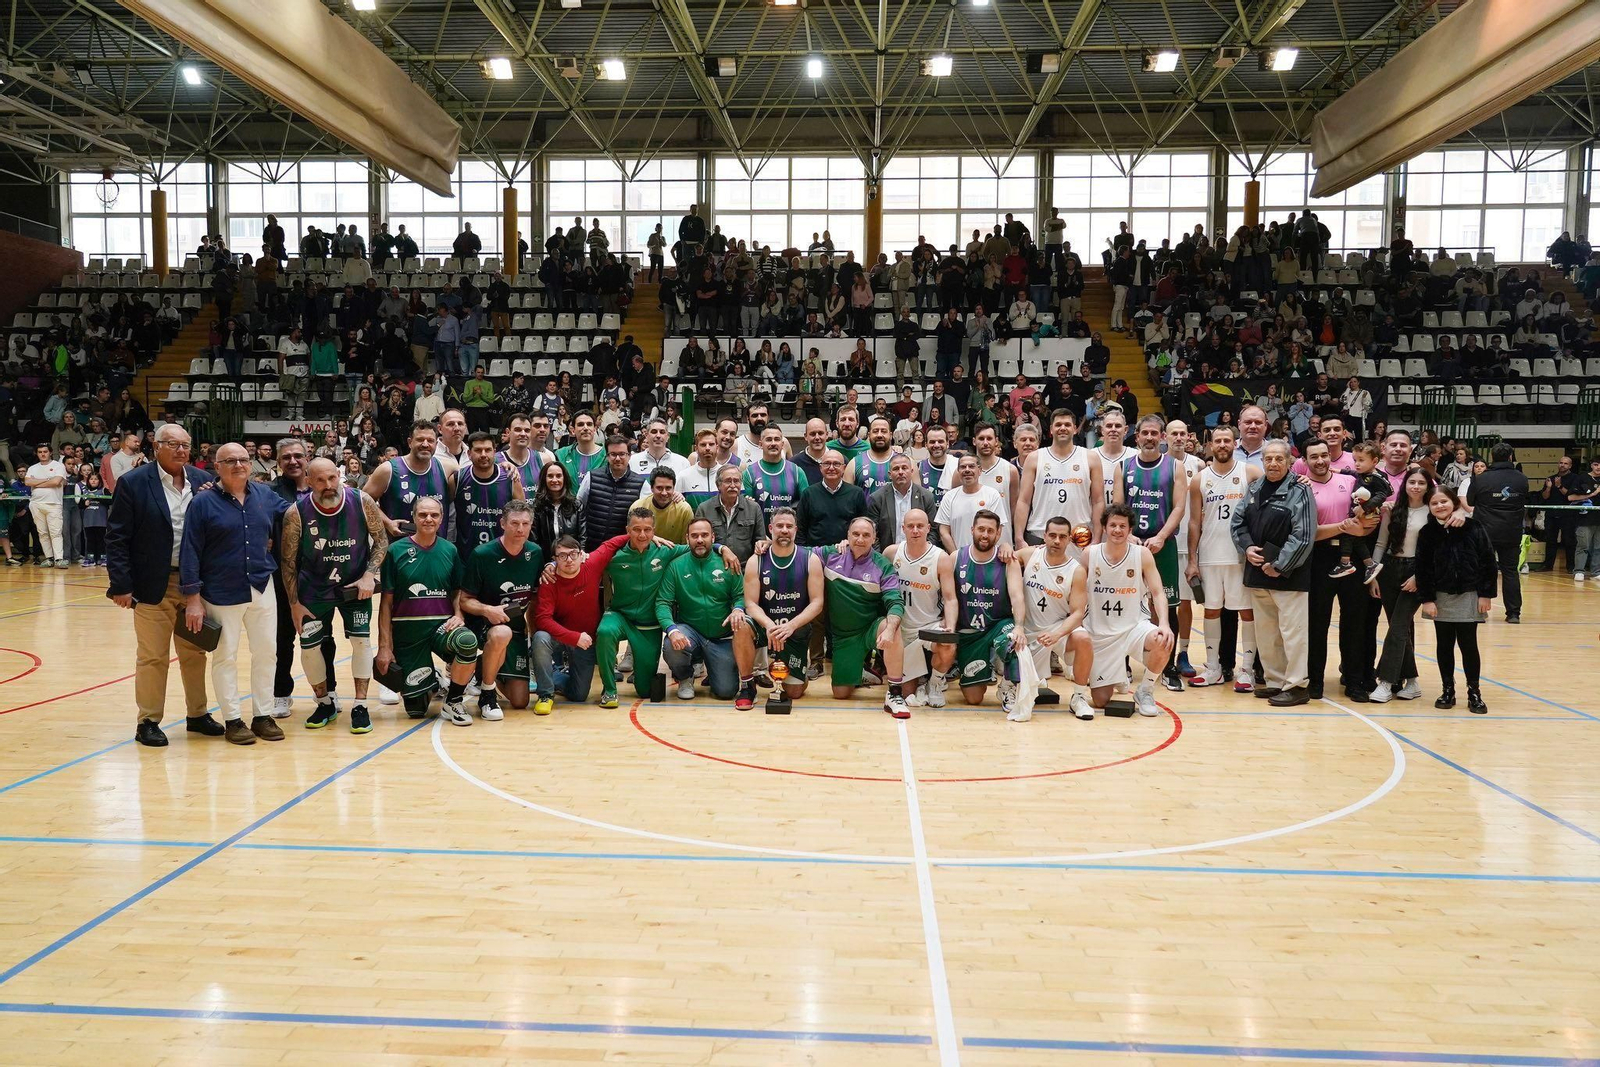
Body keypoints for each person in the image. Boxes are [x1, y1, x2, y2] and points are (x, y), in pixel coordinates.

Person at [107, 423, 217, 748]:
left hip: (195, 585)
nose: (181, 450)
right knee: (153, 656)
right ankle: (148, 721)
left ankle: (197, 714)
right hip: (153, 584)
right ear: (157, 447)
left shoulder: (202, 481)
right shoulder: (134, 483)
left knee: (195, 652)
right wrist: (121, 585)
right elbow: (117, 538)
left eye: (186, 445)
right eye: (173, 444)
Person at [180, 442, 290, 746]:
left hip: (261, 585)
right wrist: (192, 599)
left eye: (243, 459)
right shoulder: (202, 503)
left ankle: (263, 715)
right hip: (220, 590)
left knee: (267, 652)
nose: (239, 465)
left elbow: (296, 512)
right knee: (225, 656)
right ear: (217, 466)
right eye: (230, 461)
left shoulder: (265, 495)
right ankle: (232, 720)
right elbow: (190, 551)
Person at [279, 457, 387, 733]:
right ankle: (324, 702)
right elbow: (288, 561)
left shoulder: (362, 501)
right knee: (310, 646)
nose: (328, 485)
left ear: (338, 476)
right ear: (308, 480)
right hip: (313, 589)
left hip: (354, 586)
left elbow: (381, 541)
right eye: (320, 480)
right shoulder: (296, 512)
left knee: (362, 643)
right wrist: (293, 603)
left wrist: (368, 575)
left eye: (332, 478)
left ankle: (361, 706)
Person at [594, 506, 738, 708]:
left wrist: (723, 548)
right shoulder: (613, 556)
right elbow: (584, 563)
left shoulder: (666, 551)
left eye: (647, 530)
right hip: (620, 616)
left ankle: (708, 670)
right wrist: (554, 566)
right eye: (636, 529)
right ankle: (609, 690)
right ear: (627, 530)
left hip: (648, 626)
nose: (642, 535)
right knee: (605, 630)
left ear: (654, 531)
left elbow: (698, 546)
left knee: (644, 690)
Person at [373, 495, 479, 726]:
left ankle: (453, 700)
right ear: (413, 517)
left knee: (468, 642)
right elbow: (386, 603)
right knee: (415, 710)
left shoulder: (449, 550)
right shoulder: (395, 551)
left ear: (441, 519)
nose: (428, 519)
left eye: (434, 515)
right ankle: (434, 680)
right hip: (408, 633)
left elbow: (457, 590)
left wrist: (459, 615)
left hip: (441, 627)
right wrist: (384, 646)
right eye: (422, 514)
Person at [1229, 440, 1316, 706]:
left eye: (1279, 459)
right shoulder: (1254, 488)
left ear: (1289, 462)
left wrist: (1279, 564)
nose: (1273, 464)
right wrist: (1247, 548)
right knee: (1267, 633)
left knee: (1293, 633)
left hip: (1289, 576)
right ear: (1262, 461)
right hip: (1258, 573)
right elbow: (1237, 523)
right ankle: (1276, 681)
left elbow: (1303, 535)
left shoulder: (1300, 490)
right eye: (1269, 459)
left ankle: (1298, 685)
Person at [1069, 504, 1174, 718]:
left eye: (1122, 526)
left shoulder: (1142, 554)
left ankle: (1145, 689)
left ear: (1130, 530)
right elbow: (1076, 591)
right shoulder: (1090, 554)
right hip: (1100, 633)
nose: (1117, 530)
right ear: (1105, 528)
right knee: (1100, 701)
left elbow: (1158, 592)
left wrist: (1164, 623)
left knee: (1162, 639)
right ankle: (1116, 676)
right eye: (1113, 525)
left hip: (1134, 627)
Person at [926, 510, 1028, 716]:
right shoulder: (956, 557)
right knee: (974, 698)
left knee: (1014, 642)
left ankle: (1007, 688)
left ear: (998, 534)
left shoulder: (1008, 560)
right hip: (969, 633)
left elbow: (1017, 597)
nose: (985, 534)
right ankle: (945, 679)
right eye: (981, 529)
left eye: (990, 531)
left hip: (998, 625)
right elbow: (948, 597)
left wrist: (1019, 626)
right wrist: (949, 624)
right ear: (972, 530)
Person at [1116, 415, 1189, 691]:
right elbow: (1118, 508)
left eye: (1154, 433)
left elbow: (1179, 508)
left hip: (1162, 544)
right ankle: (1120, 662)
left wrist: (1161, 536)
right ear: (1137, 438)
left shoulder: (1175, 466)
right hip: (1130, 545)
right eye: (1144, 433)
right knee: (1124, 603)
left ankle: (1167, 666)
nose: (1149, 437)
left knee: (1167, 607)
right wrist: (1129, 535)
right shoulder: (1124, 467)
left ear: (1161, 437)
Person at [1185, 425, 1260, 692]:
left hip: (1241, 556)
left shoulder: (1250, 472)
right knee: (1211, 610)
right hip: (1209, 555)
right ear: (1211, 445)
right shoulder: (1199, 479)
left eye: (1227, 440)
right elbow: (1194, 522)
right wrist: (1192, 560)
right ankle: (1213, 667)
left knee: (1247, 612)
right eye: (1218, 441)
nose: (1223, 445)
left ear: (1234, 443)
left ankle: (1247, 671)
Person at [656, 518, 759, 708]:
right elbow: (663, 602)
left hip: (721, 637)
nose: (700, 540)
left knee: (726, 692)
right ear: (687, 538)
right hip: (691, 631)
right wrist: (671, 629)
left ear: (713, 537)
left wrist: (737, 609)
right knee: (672, 644)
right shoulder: (676, 566)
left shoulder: (729, 562)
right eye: (694, 536)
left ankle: (714, 669)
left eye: (704, 535)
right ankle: (685, 677)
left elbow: (739, 595)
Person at [814, 516, 910, 717]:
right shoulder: (831, 554)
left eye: (866, 535)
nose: (860, 539)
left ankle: (894, 694)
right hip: (844, 638)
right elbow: (797, 554)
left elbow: (895, 602)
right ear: (847, 536)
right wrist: (768, 542)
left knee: (890, 627)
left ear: (874, 538)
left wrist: (890, 628)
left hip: (871, 629)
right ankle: (861, 672)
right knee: (841, 693)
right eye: (855, 534)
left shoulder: (883, 566)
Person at [1416, 484, 1497, 714]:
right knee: (1444, 644)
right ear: (1429, 507)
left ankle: (1474, 692)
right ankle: (1448, 689)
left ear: (1454, 502)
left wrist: (1486, 594)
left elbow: (1488, 561)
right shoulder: (1427, 533)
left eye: (1444, 501)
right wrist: (1427, 599)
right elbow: (1423, 569)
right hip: (1440, 596)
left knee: (1469, 644)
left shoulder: (1473, 527)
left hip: (1470, 594)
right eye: (1434, 503)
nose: (1440, 506)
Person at [458, 499, 543, 719]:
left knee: (520, 701)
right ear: (503, 523)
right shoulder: (482, 554)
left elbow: (533, 599)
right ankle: (487, 693)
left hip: (515, 629)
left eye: (525, 523)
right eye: (514, 523)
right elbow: (465, 600)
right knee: (501, 633)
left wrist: (532, 633)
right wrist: (488, 610)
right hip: (485, 626)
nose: (520, 529)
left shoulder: (534, 553)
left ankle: (483, 667)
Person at [744, 507, 825, 704]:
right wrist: (769, 625)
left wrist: (790, 626)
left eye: (789, 526)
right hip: (766, 627)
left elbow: (817, 603)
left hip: (795, 629)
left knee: (794, 692)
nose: (784, 530)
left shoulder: (810, 559)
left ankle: (798, 672)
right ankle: (746, 684)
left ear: (796, 530)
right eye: (779, 526)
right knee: (742, 626)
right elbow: (750, 604)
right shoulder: (756, 560)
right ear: (771, 528)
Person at [1367, 465, 1433, 704]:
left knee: (1397, 628)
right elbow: (1381, 544)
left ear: (1428, 487)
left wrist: (1420, 577)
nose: (1416, 486)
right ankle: (1412, 681)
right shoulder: (1392, 509)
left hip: (1416, 571)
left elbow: (1434, 550)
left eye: (1421, 483)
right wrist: (1373, 574)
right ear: (1405, 485)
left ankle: (1385, 682)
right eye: (1412, 482)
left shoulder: (1433, 511)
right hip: (1389, 570)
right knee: (1402, 628)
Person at [1016, 516, 1090, 718]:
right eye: (1053, 535)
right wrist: (1005, 546)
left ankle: (1079, 697)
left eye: (1062, 537)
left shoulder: (1076, 571)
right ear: (1044, 536)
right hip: (1028, 632)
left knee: (1083, 638)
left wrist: (1057, 634)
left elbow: (1077, 613)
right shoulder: (1030, 555)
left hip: (1056, 631)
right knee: (1019, 688)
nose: (1057, 541)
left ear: (1069, 540)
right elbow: (1007, 558)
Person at [1015, 409, 1102, 552]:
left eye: (1067, 425)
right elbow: (1023, 501)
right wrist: (1019, 538)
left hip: (1078, 537)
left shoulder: (1090, 458)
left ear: (1074, 429)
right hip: (1040, 534)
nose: (1062, 428)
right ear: (1051, 430)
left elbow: (1098, 501)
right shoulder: (1035, 458)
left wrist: (1097, 538)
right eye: (1058, 424)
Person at [365, 420, 459, 543]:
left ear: (436, 444)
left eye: (430, 441)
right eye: (420, 440)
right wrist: (388, 523)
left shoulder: (448, 468)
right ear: (410, 442)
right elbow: (363, 501)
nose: (425, 444)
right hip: (399, 550)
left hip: (436, 549)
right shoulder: (388, 469)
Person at [1464, 443, 1527, 621]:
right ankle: (1513, 613)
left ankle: (1478, 612)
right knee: (1510, 572)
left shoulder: (1482, 478)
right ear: (1510, 457)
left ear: (1492, 456)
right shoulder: (1521, 478)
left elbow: (1470, 501)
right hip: (1511, 532)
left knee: (1481, 570)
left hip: (1484, 532)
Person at [454, 431, 526, 551]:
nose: (483, 454)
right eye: (478, 450)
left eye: (487, 450)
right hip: (466, 555)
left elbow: (523, 516)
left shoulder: (511, 478)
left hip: (502, 553)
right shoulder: (458, 478)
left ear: (494, 452)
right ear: (469, 453)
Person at [1330, 441, 1391, 582]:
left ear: (1375, 461)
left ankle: (1345, 563)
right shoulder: (1364, 473)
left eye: (1361, 460)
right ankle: (1369, 564)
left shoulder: (1376, 478)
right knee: (1356, 540)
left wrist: (1364, 508)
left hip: (1367, 513)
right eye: (1355, 460)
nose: (1357, 464)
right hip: (1361, 511)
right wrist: (1339, 470)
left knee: (1347, 532)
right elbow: (1353, 472)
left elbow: (1382, 495)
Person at [576, 435, 646, 549]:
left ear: (629, 456)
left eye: (622, 454)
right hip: (591, 547)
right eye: (613, 454)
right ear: (607, 456)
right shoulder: (591, 477)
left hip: (621, 549)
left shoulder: (641, 484)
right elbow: (578, 508)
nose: (617, 458)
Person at [795, 449, 868, 547]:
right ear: (820, 467)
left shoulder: (856, 493)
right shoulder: (808, 494)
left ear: (844, 468)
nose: (831, 468)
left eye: (836, 464)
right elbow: (800, 529)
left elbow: (864, 527)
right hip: (816, 555)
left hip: (847, 553)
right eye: (827, 464)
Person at [866, 453, 937, 552]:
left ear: (912, 471)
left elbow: (933, 531)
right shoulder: (877, 498)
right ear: (889, 475)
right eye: (896, 469)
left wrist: (924, 553)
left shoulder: (926, 497)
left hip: (920, 555)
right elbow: (873, 533)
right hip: (888, 558)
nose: (900, 472)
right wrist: (881, 559)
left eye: (904, 468)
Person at [696, 464, 767, 562]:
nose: (733, 485)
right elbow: (699, 542)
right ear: (718, 485)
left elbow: (760, 541)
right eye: (728, 481)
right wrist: (721, 549)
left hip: (744, 569)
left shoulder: (753, 508)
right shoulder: (704, 509)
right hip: (712, 568)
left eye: (736, 481)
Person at [743, 425, 809, 524]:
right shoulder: (749, 473)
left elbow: (806, 507)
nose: (773, 443)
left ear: (782, 444)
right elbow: (747, 512)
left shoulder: (797, 471)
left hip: (788, 535)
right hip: (760, 537)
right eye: (769, 439)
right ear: (761, 444)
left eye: (777, 439)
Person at [23, 443, 67, 567]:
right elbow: (27, 482)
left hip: (53, 503)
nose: (43, 454)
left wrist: (36, 482)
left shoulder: (58, 466)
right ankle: (49, 558)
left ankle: (59, 559)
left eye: (45, 451)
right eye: (40, 452)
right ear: (37, 454)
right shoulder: (32, 468)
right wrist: (48, 479)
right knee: (42, 533)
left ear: (50, 452)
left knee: (56, 532)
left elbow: (57, 482)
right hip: (36, 503)